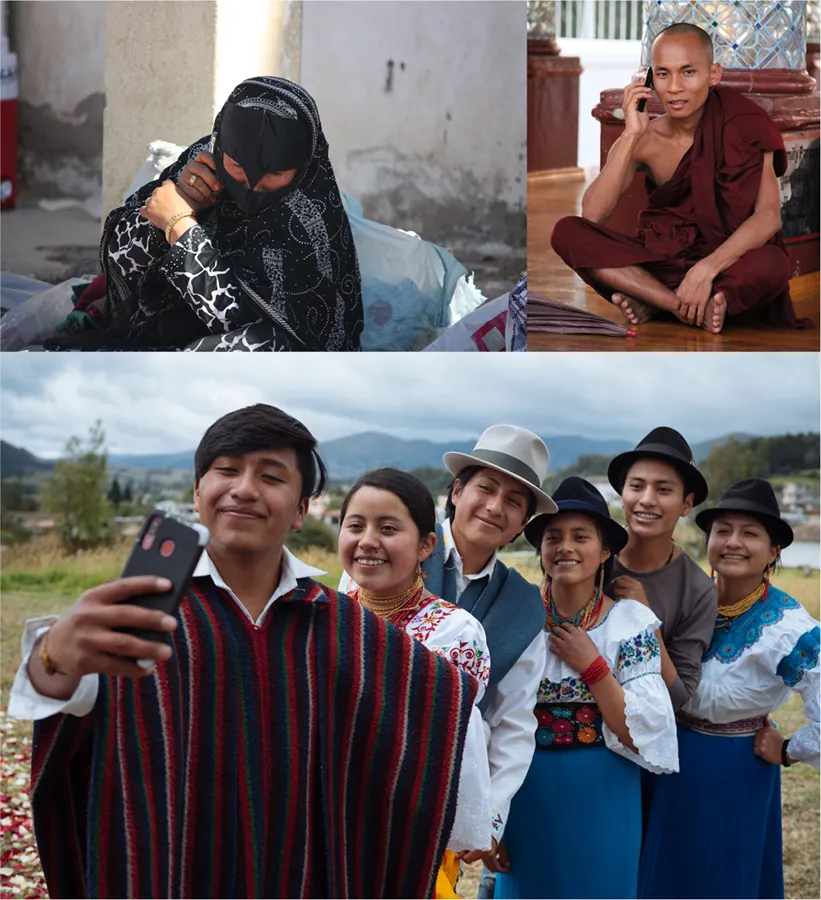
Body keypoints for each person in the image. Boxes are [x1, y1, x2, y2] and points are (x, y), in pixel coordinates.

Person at [8, 404, 477, 899]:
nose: (245, 488)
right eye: (226, 470)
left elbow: (441, 705)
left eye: (271, 476)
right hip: (169, 873)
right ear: (197, 492)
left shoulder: (345, 628)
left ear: (301, 510)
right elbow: (67, 703)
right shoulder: (134, 611)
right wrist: (53, 658)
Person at [48, 77, 363, 352]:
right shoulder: (206, 162)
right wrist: (180, 200)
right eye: (237, 167)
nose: (251, 184)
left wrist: (181, 227)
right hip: (166, 338)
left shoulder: (311, 219)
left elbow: (236, 320)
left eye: (275, 173)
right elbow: (120, 260)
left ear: (304, 164)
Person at [551, 23, 804, 334]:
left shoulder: (745, 123)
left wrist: (706, 269)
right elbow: (592, 214)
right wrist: (631, 134)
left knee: (773, 264)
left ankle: (656, 300)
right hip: (662, 265)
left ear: (714, 74)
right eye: (662, 73)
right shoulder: (646, 136)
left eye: (688, 72)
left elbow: (768, 218)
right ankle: (678, 306)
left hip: (726, 266)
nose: (673, 87)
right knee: (567, 232)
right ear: (648, 79)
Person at [495, 477, 678, 899]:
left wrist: (594, 668)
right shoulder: (515, 619)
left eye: (581, 536)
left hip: (604, 792)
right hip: (524, 790)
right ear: (540, 550)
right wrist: (491, 819)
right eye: (553, 537)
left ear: (606, 551)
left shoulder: (628, 624)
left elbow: (641, 734)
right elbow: (492, 721)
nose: (566, 548)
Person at [639, 478, 819, 899]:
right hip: (660, 764)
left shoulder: (786, 628)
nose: (733, 542)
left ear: (774, 550)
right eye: (723, 531)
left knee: (714, 877)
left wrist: (790, 750)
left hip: (729, 775)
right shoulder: (685, 599)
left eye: (750, 533)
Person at [337, 468, 493, 897]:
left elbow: (450, 744)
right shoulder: (330, 614)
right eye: (355, 526)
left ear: (427, 545)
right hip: (330, 824)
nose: (368, 540)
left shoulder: (455, 631)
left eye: (388, 528)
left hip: (409, 832)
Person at [607, 426, 717, 713]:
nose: (647, 499)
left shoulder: (697, 590)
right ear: (622, 494)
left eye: (664, 489)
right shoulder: (590, 558)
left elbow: (680, 695)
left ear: (686, 504)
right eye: (636, 486)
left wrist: (645, 621)